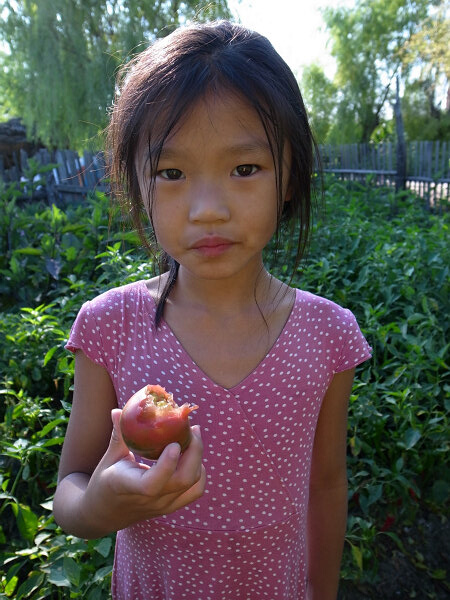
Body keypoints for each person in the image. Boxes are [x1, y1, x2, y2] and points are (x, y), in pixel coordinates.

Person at [53, 20, 371, 600]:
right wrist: (101, 505)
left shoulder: (329, 334)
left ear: (290, 177)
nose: (207, 209)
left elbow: (324, 486)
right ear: (137, 186)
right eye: (171, 173)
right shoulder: (109, 325)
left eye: (244, 169)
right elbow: (69, 492)